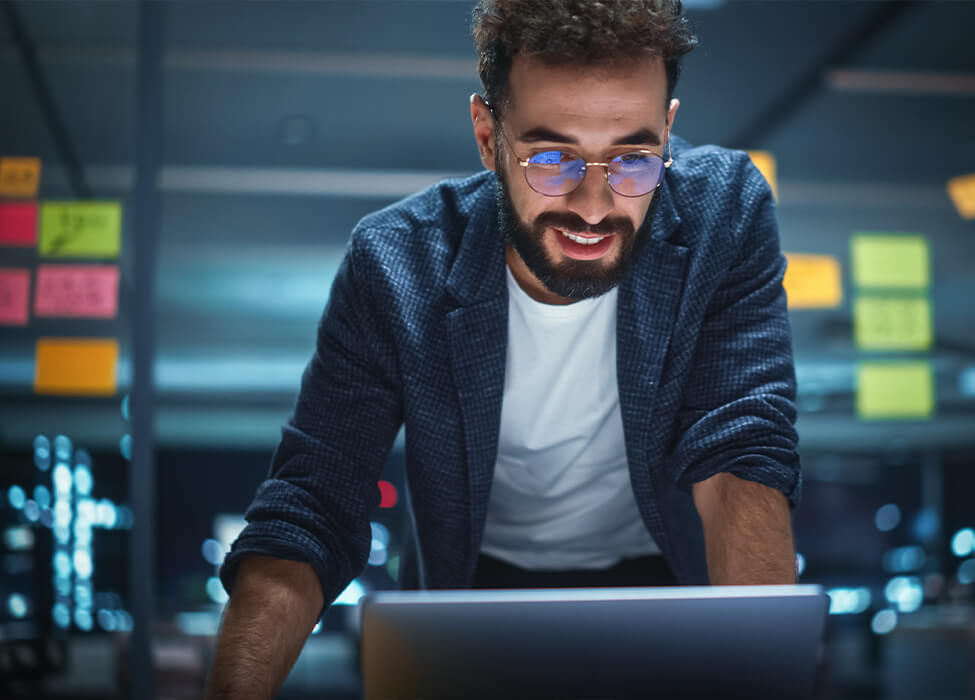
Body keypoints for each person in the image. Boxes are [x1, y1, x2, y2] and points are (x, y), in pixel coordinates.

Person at [206, 1, 800, 697]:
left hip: (663, 584)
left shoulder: (721, 215)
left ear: (667, 132)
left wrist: (763, 675)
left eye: (632, 159)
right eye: (551, 158)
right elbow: (315, 502)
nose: (591, 204)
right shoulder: (398, 265)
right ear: (487, 137)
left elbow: (741, 448)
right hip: (469, 596)